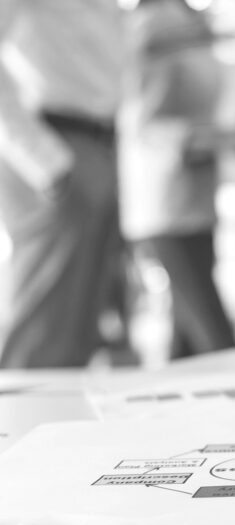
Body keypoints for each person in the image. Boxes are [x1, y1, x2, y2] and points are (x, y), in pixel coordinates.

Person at [0, 0, 125, 367]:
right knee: (41, 327)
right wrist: (44, 160)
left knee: (79, 323)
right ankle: (17, 423)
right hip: (54, 145)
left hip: (100, 141)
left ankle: (60, 423)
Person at [118, 0, 235, 359]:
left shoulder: (190, 20)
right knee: (218, 339)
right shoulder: (153, 23)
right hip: (165, 199)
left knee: (187, 340)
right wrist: (207, 139)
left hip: (197, 197)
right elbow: (143, 119)